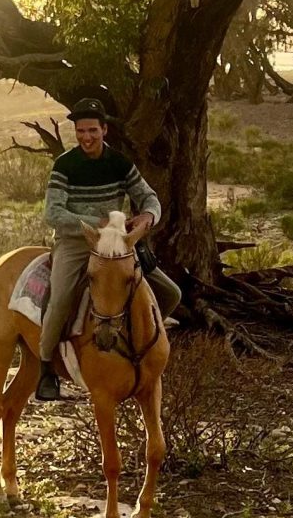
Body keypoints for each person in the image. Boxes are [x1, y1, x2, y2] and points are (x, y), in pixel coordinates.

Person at [34, 98, 182, 401]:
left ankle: (137, 344)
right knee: (60, 299)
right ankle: (46, 367)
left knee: (171, 293)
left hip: (116, 243)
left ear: (104, 130)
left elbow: (148, 196)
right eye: (80, 131)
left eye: (92, 130)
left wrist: (148, 216)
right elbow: (53, 214)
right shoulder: (65, 165)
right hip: (76, 243)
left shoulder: (119, 163)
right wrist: (96, 222)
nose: (86, 137)